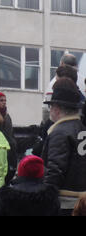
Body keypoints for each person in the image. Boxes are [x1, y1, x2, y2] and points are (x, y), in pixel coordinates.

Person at [42, 77, 86, 216]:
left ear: (57, 108)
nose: (50, 111)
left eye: (51, 107)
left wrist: (45, 199)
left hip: (66, 202)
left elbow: (55, 170)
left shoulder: (60, 132)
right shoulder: (82, 129)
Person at [0, 92, 17, 184]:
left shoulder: (6, 116)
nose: (4, 102)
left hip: (8, 149)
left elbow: (9, 134)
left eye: (5, 100)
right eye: (1, 100)